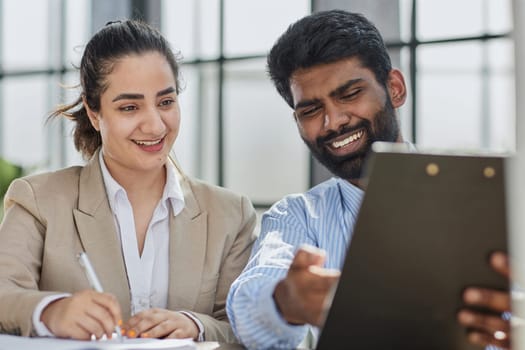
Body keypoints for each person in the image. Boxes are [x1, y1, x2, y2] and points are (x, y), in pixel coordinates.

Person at [226, 9, 511, 350]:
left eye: (349, 94)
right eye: (311, 111)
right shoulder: (296, 216)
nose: (333, 122)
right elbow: (249, 305)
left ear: (395, 88)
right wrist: (286, 299)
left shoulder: (490, 196)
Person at [0, 19, 256, 342]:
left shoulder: (230, 214)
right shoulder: (39, 200)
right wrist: (52, 311)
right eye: (130, 107)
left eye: (166, 102)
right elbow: (3, 292)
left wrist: (197, 325)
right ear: (94, 114)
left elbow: (248, 326)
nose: (153, 125)